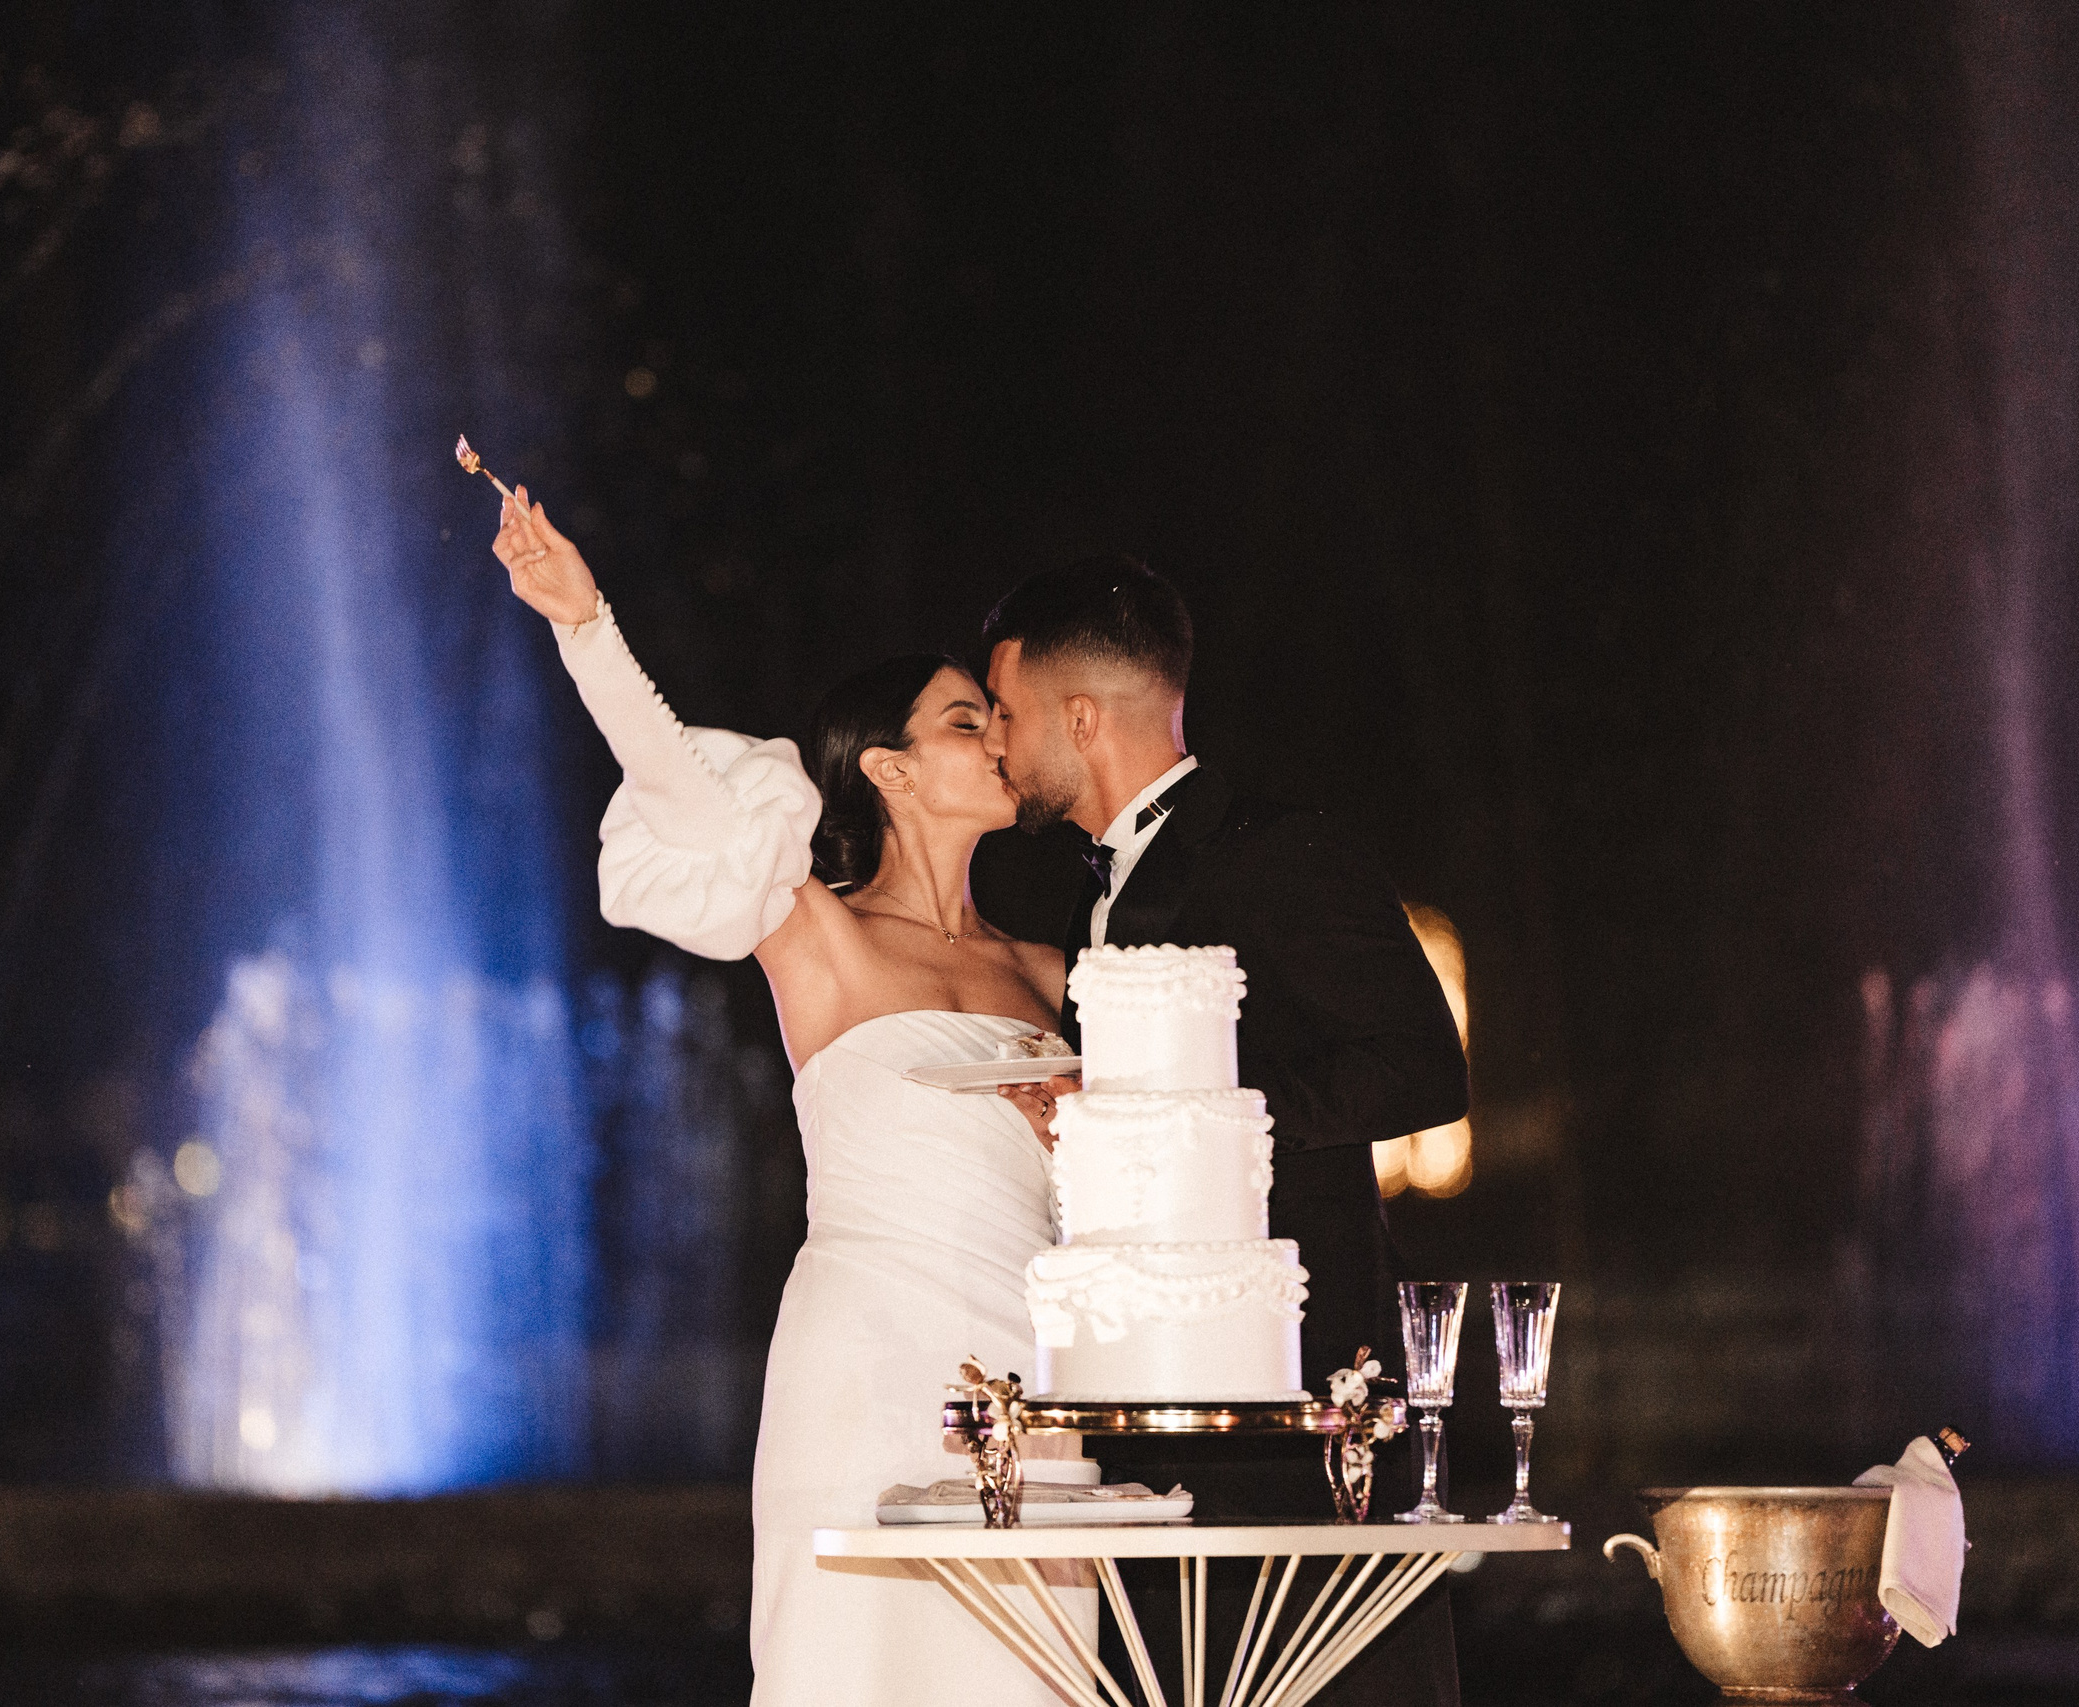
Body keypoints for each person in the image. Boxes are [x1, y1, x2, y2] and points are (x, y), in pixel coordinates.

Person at [489, 489, 1089, 1706]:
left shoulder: (1048, 969)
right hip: (868, 1366)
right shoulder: (816, 933)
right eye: (967, 720)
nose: (997, 739)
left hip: (1035, 1373)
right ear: (890, 770)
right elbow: (682, 791)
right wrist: (585, 625)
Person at [976, 554, 1473, 1707]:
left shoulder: (1277, 845)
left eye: (1006, 712)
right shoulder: (1084, 889)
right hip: (1155, 1386)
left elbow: (1421, 1068)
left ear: (1081, 716)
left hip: (1302, 1384)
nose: (996, 740)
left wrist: (1181, 1116)